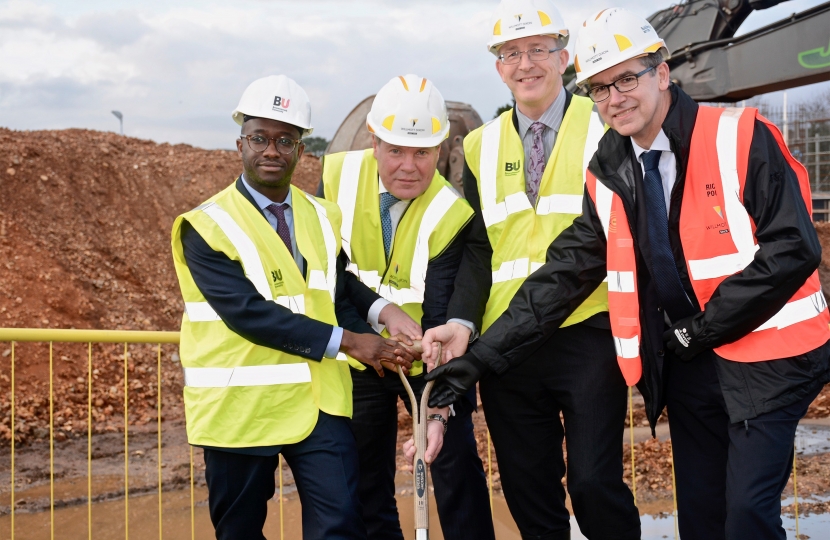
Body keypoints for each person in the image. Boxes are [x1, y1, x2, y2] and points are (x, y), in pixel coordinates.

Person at [426, 7, 830, 540]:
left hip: (769, 357)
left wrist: (700, 329)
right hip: (689, 361)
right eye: (600, 88)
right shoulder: (613, 168)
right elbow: (563, 274)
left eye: (626, 79)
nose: (614, 98)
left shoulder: (740, 137)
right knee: (703, 520)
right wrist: (474, 362)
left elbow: (794, 249)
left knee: (747, 516)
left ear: (662, 74)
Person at [421, 1, 640, 538]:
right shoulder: (477, 144)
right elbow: (479, 250)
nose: (526, 64)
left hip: (587, 332)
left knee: (593, 484)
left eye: (539, 50)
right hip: (507, 346)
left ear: (564, 57)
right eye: (512, 53)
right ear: (498, 67)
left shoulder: (605, 125)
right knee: (528, 493)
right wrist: (465, 324)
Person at [170, 75, 416, 540]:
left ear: (301, 151)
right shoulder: (206, 226)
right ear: (240, 142)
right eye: (259, 137)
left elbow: (336, 285)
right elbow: (247, 313)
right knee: (240, 531)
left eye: (285, 140)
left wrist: (382, 312)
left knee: (340, 525)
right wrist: (350, 342)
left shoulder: (321, 215)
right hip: (241, 411)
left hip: (318, 403)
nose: (271, 150)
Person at [319, 74, 495, 540]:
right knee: (365, 483)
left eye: (422, 153)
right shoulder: (336, 177)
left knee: (455, 470)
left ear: (441, 148)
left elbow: (440, 304)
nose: (408, 166)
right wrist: (371, 332)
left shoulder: (451, 211)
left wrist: (437, 402)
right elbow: (327, 274)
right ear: (374, 141)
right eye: (395, 149)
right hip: (361, 347)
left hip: (426, 351)